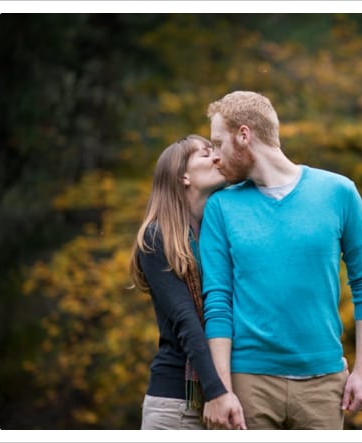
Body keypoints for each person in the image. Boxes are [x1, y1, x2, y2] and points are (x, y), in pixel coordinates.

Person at [200, 91, 362, 430]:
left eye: (218, 143)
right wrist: (222, 389)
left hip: (324, 382)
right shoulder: (220, 207)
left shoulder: (339, 192)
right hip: (247, 382)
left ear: (244, 135)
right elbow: (218, 302)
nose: (215, 157)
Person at [129, 134, 246, 430]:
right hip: (177, 405)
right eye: (206, 154)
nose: (217, 157)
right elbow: (186, 320)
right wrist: (217, 391)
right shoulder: (156, 238)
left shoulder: (217, 232)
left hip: (228, 393)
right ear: (183, 176)